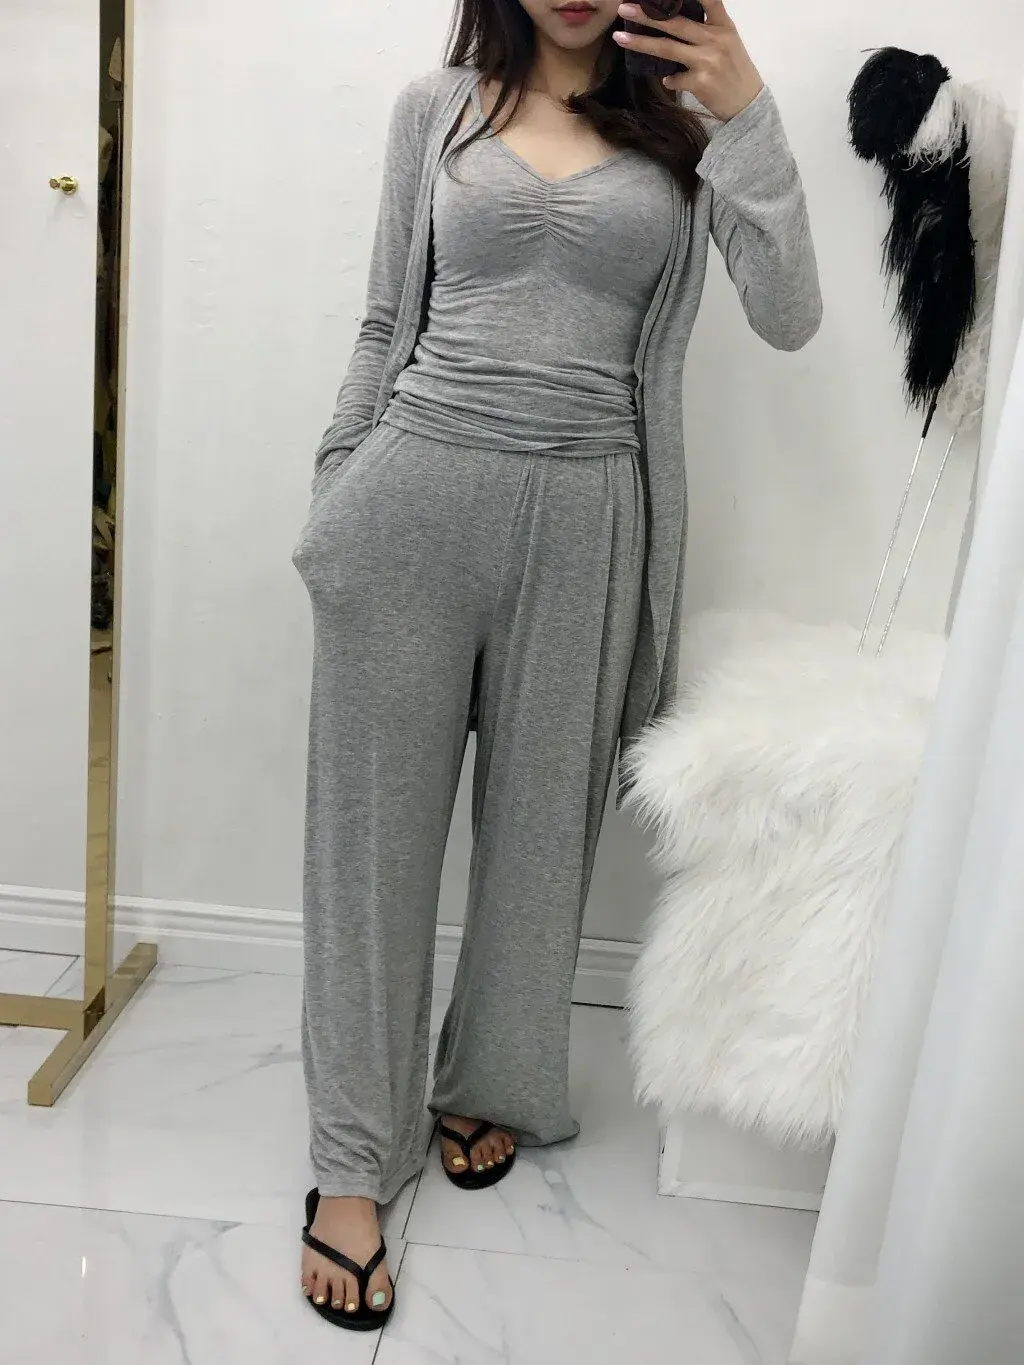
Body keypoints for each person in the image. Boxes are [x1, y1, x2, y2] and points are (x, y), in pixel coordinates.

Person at [293, 0, 821, 1330]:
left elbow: (791, 316)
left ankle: (493, 1081)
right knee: (371, 852)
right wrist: (336, 496)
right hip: (412, 501)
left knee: (540, 847)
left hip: (589, 516)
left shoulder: (686, 134)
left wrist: (748, 113)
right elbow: (382, 319)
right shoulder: (436, 111)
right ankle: (351, 1160)